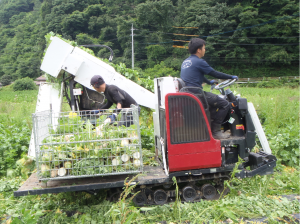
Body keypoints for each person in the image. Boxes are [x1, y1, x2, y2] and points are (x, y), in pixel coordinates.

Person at [180, 38, 238, 139]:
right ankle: (216, 132)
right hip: (197, 94)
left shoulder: (186, 62)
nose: (204, 50)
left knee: (213, 105)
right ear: (199, 50)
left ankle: (208, 128)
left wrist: (208, 82)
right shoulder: (199, 62)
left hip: (188, 93)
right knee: (225, 104)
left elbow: (198, 74)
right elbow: (214, 73)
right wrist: (231, 76)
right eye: (204, 48)